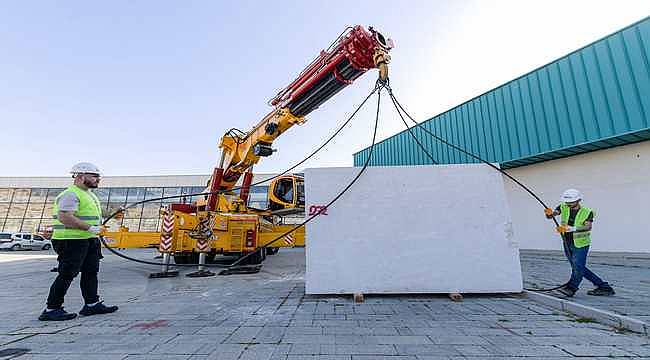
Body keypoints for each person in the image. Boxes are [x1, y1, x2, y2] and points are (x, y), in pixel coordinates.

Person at [39, 162, 118, 321]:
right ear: (81, 177)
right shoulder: (71, 194)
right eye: (94, 176)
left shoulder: (89, 194)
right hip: (71, 241)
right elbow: (65, 217)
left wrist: (95, 229)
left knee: (91, 272)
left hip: (88, 240)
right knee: (67, 274)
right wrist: (89, 228)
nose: (98, 179)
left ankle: (92, 304)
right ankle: (52, 308)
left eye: (98, 176)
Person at [544, 189, 615, 297]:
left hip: (581, 243)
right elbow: (552, 215)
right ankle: (603, 287)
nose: (568, 204)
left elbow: (588, 226)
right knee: (578, 266)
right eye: (567, 202)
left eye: (571, 202)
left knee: (577, 266)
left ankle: (571, 288)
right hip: (567, 241)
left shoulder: (587, 212)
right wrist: (549, 213)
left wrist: (571, 229)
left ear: (579, 200)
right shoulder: (563, 206)